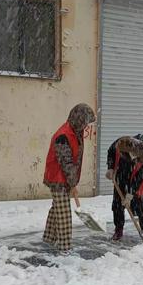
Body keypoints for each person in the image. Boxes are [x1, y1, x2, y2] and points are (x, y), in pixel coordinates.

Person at [43, 103, 96, 251]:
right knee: (64, 214)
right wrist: (73, 184)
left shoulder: (75, 131)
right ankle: (65, 248)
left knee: (57, 209)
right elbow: (66, 163)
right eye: (85, 121)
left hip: (64, 177)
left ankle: (48, 239)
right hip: (57, 178)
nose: (86, 125)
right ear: (79, 119)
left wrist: (72, 181)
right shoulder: (63, 135)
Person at [106, 134, 143, 241]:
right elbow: (111, 152)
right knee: (117, 205)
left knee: (142, 207)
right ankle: (118, 230)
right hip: (121, 177)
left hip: (141, 183)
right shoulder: (122, 143)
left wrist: (130, 195)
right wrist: (110, 167)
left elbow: (138, 180)